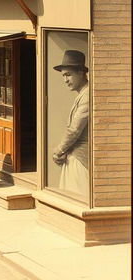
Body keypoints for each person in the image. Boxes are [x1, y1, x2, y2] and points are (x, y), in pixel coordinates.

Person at [52, 50, 89, 198]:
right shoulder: (82, 94)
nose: (65, 80)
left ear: (81, 73)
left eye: (68, 75)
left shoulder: (88, 95)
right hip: (74, 157)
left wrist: (59, 151)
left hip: (81, 160)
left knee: (77, 199)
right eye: (63, 76)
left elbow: (74, 130)